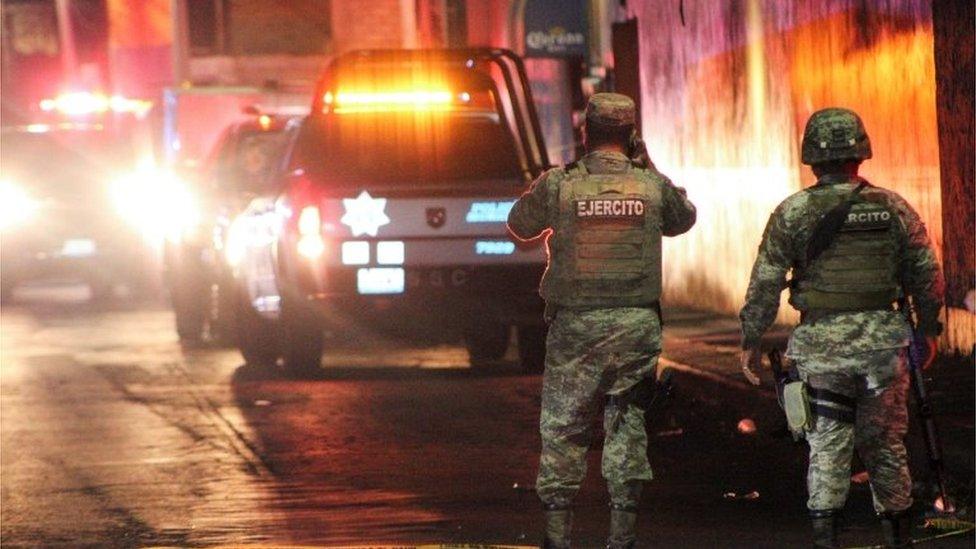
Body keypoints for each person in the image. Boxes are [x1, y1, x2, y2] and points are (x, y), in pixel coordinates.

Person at [739, 107, 944, 548]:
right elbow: (926, 272)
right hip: (883, 347)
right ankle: (897, 536)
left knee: (828, 443)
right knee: (885, 443)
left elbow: (766, 280)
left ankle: (826, 536)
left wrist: (751, 337)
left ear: (811, 156)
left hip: (821, 348)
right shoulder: (892, 207)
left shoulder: (792, 212)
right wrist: (928, 329)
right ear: (861, 153)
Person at [507, 92, 696, 548]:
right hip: (636, 326)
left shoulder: (560, 184)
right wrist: (647, 165)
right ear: (631, 135)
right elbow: (683, 218)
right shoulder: (651, 186)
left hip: (575, 325)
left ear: (584, 133)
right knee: (626, 422)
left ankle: (557, 537)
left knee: (564, 426)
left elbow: (519, 223)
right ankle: (622, 536)